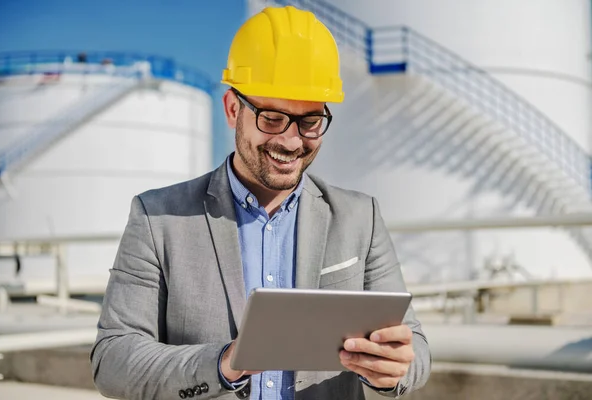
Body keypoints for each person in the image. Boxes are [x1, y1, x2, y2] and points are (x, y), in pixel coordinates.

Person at [91, 5, 431, 400]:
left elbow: (416, 349)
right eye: (272, 118)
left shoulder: (360, 218)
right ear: (233, 109)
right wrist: (224, 363)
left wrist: (390, 370)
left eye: (310, 121)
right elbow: (112, 361)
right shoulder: (158, 218)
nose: (291, 141)